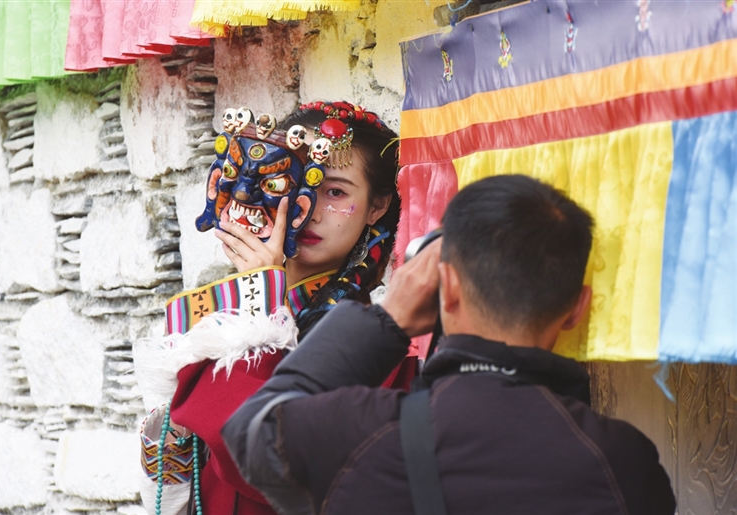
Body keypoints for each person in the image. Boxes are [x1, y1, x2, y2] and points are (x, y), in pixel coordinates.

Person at [223, 175, 677, 515]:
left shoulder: (361, 434)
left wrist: (389, 318)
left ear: (448, 287)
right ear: (578, 309)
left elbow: (252, 431)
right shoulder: (625, 462)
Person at [135, 101, 415, 515]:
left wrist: (261, 301)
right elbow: (171, 489)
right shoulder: (217, 311)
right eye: (293, 183)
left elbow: (268, 464)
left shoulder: (378, 336)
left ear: (377, 206)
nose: (308, 208)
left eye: (335, 192)